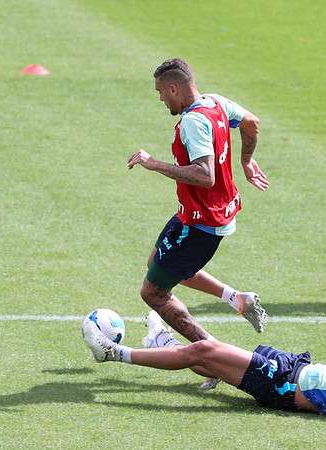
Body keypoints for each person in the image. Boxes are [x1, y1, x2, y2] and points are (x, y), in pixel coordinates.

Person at [126, 58, 269, 387]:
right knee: (158, 264)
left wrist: (154, 164)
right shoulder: (216, 102)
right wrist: (245, 161)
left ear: (174, 88)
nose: (161, 99)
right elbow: (251, 122)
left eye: (162, 92)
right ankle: (238, 300)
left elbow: (205, 175)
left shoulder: (192, 122)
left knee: (154, 293)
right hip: (196, 214)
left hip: (201, 224)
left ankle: (212, 360)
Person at [82, 311, 326, 424]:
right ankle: (161, 344)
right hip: (293, 370)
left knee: (206, 350)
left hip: (284, 387)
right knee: (212, 359)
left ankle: (115, 353)